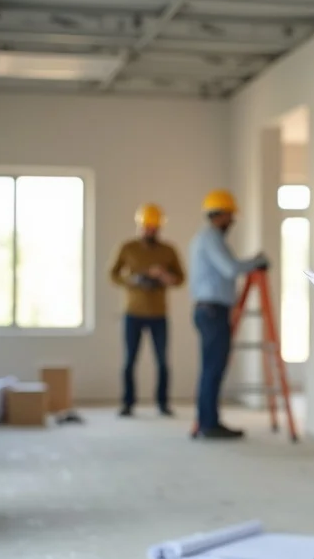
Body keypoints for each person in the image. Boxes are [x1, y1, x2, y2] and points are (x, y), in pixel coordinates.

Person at [188, 189, 268, 440]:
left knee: (211, 368)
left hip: (209, 310)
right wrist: (255, 262)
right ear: (220, 215)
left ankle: (207, 421)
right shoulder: (211, 237)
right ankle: (208, 424)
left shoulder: (206, 238)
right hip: (212, 311)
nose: (232, 221)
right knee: (213, 369)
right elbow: (229, 268)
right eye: (230, 215)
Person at [109, 203, 186, 418]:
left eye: (155, 227)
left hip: (159, 314)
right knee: (129, 360)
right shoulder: (127, 248)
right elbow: (113, 274)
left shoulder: (168, 250)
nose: (151, 231)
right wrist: (133, 279)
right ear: (140, 226)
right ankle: (127, 403)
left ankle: (163, 403)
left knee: (162, 361)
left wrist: (165, 277)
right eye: (147, 227)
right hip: (132, 313)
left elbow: (180, 279)